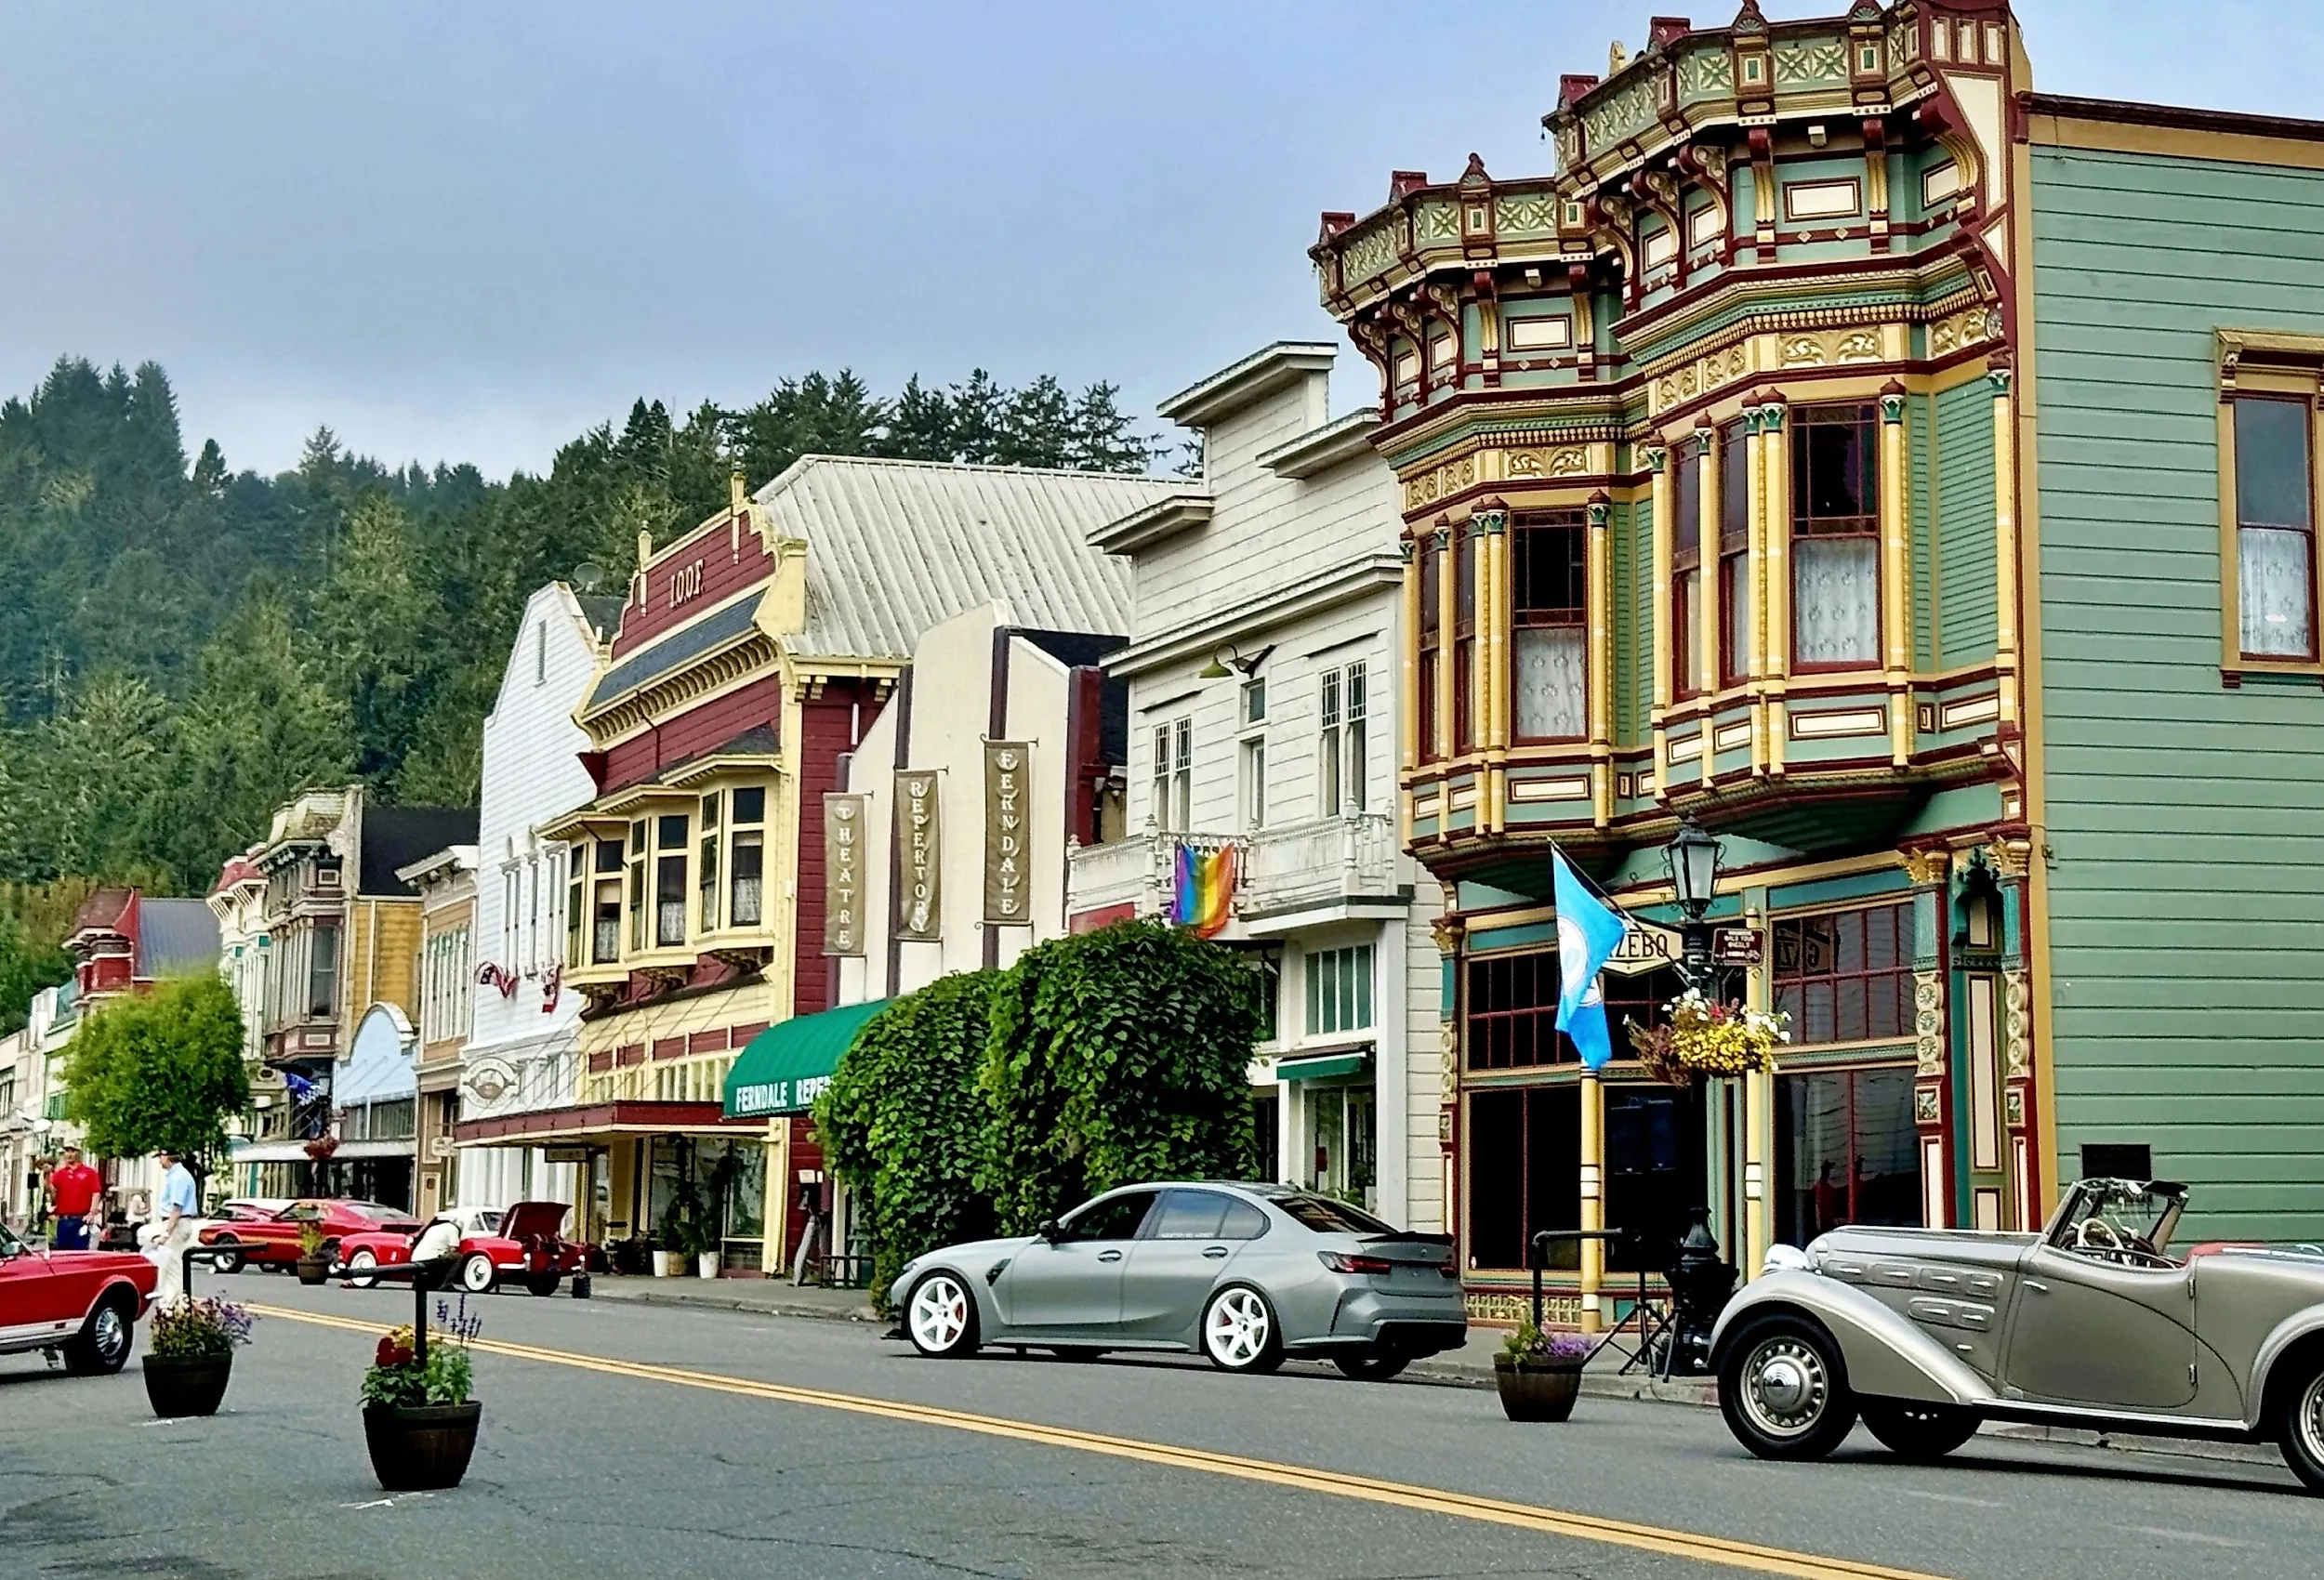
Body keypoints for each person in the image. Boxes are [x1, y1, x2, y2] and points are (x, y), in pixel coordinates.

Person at [150, 1149, 200, 1305]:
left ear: (168, 1158)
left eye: (161, 1157)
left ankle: (172, 1304)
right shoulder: (177, 1175)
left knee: (172, 1266)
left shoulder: (179, 1177)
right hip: (176, 1223)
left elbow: (176, 1208)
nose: (159, 1161)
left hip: (176, 1224)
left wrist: (166, 1232)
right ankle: (168, 1301)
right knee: (167, 1264)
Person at [46, 1146, 103, 1252]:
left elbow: (96, 1193)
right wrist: (46, 1175)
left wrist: (91, 1213)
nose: (69, 1154)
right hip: (64, 1220)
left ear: (79, 1153)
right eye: (67, 1151)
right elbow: (51, 1191)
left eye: (72, 1151)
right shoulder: (60, 1174)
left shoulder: (89, 1173)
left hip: (81, 1219)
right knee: (62, 1253)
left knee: (79, 1252)